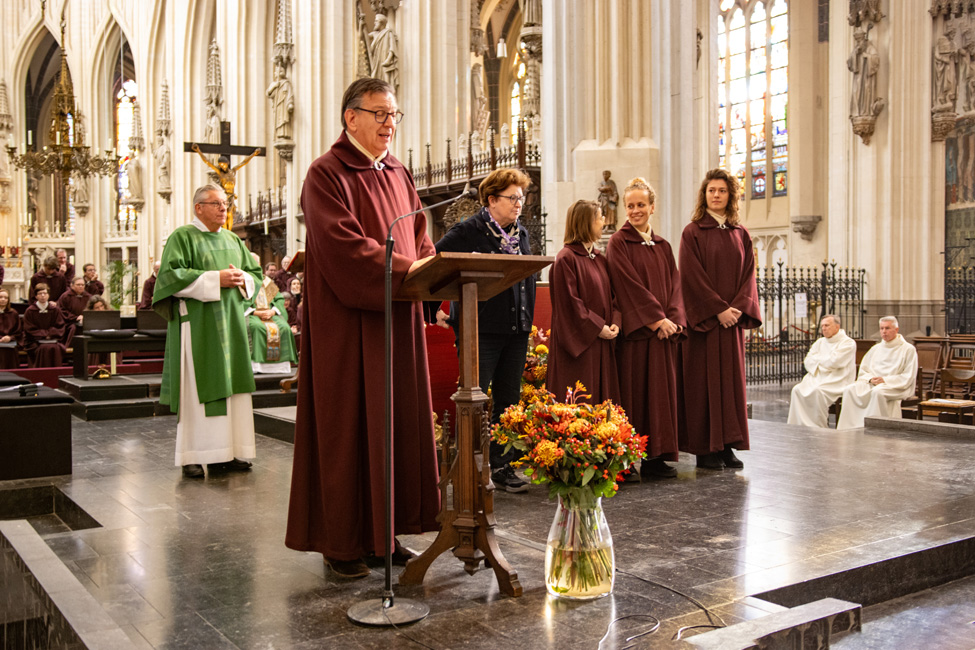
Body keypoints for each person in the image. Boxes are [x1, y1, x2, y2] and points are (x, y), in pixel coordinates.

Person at [285, 78, 440, 579]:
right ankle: (344, 543)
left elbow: (419, 236)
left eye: (394, 114)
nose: (389, 124)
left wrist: (434, 265)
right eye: (379, 114)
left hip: (398, 318)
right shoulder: (325, 174)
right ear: (351, 117)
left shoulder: (398, 171)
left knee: (392, 425)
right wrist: (406, 268)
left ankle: (385, 537)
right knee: (349, 428)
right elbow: (342, 246)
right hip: (349, 327)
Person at [433, 167, 535, 494]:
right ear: (492, 199)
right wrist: (437, 306)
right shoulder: (470, 230)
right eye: (512, 198)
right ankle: (469, 466)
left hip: (516, 329)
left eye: (522, 197)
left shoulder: (522, 235)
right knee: (474, 400)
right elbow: (437, 259)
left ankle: (502, 466)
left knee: (508, 401)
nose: (519, 203)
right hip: (481, 329)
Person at [153, 183, 262, 480]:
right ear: (198, 207)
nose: (223, 208)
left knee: (234, 391)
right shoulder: (182, 237)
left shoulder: (232, 238)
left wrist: (241, 279)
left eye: (225, 203)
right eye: (216, 203)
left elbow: (255, 274)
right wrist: (216, 279)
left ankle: (228, 451)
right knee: (196, 393)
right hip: (198, 326)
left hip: (231, 323)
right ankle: (193, 455)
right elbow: (170, 277)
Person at [678, 168, 761, 470]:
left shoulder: (741, 233)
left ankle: (728, 445)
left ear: (731, 195)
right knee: (704, 386)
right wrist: (718, 310)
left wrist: (737, 308)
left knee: (730, 387)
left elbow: (749, 274)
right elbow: (691, 277)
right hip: (705, 326)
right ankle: (705, 449)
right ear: (704, 195)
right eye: (711, 190)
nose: (716, 195)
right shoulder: (693, 232)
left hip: (731, 326)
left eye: (722, 190)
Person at [607, 177, 687, 479]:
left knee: (661, 398)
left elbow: (675, 285)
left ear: (652, 207)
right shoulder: (619, 243)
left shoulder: (664, 246)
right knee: (637, 397)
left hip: (663, 336)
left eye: (641, 205)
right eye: (630, 206)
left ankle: (656, 458)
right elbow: (627, 287)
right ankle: (628, 461)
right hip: (639, 337)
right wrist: (656, 320)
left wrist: (674, 320)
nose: (635, 210)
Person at [547, 199, 620, 404]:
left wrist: (615, 321)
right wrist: (598, 328)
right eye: (599, 218)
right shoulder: (566, 259)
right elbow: (570, 306)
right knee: (580, 403)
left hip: (602, 342)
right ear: (585, 223)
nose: (603, 222)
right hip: (580, 347)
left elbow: (614, 296)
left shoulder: (599, 259)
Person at [836, 317, 918, 429]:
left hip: (897, 386)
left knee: (878, 392)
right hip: (874, 383)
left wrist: (885, 380)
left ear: (896, 329)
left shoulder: (908, 349)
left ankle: (876, 429)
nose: (884, 331)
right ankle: (848, 428)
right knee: (849, 390)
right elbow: (864, 370)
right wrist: (870, 379)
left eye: (887, 328)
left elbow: (908, 375)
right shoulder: (875, 348)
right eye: (882, 328)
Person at [786, 315, 857, 428]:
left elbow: (836, 362)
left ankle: (818, 427)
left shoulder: (847, 343)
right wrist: (824, 364)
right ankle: (798, 426)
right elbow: (808, 361)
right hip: (816, 377)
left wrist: (818, 363)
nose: (823, 328)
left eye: (827, 325)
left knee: (818, 392)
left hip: (837, 379)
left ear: (837, 327)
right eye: (823, 325)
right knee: (797, 390)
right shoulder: (820, 342)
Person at [246, 253, 297, 374]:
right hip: (252, 313)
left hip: (270, 312)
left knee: (284, 327)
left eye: (256, 263)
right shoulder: (243, 280)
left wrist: (273, 311)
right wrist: (256, 312)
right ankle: (257, 366)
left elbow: (279, 298)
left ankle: (281, 367)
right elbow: (238, 301)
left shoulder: (266, 281)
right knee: (257, 328)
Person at [22, 283, 66, 367]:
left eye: (45, 293)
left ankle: (55, 374)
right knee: (43, 348)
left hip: (52, 339)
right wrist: (45, 335)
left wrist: (50, 335)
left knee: (55, 348)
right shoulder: (30, 311)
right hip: (34, 341)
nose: (43, 296)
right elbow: (29, 329)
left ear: (48, 295)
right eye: (40, 293)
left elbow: (60, 326)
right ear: (36, 296)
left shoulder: (55, 310)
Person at [57, 276, 91, 347]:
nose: (81, 286)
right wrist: (75, 317)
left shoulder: (88, 297)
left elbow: (92, 309)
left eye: (82, 285)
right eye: (78, 285)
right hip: (69, 322)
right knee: (73, 328)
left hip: (86, 321)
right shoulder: (65, 296)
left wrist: (85, 317)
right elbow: (61, 310)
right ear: (72, 285)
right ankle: (70, 349)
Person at [0, 289, 22, 369]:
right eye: (1, 297)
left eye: (5, 298)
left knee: (10, 350)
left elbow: (18, 332)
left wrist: (10, 337)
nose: (3, 299)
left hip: (10, 341)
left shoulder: (13, 313)